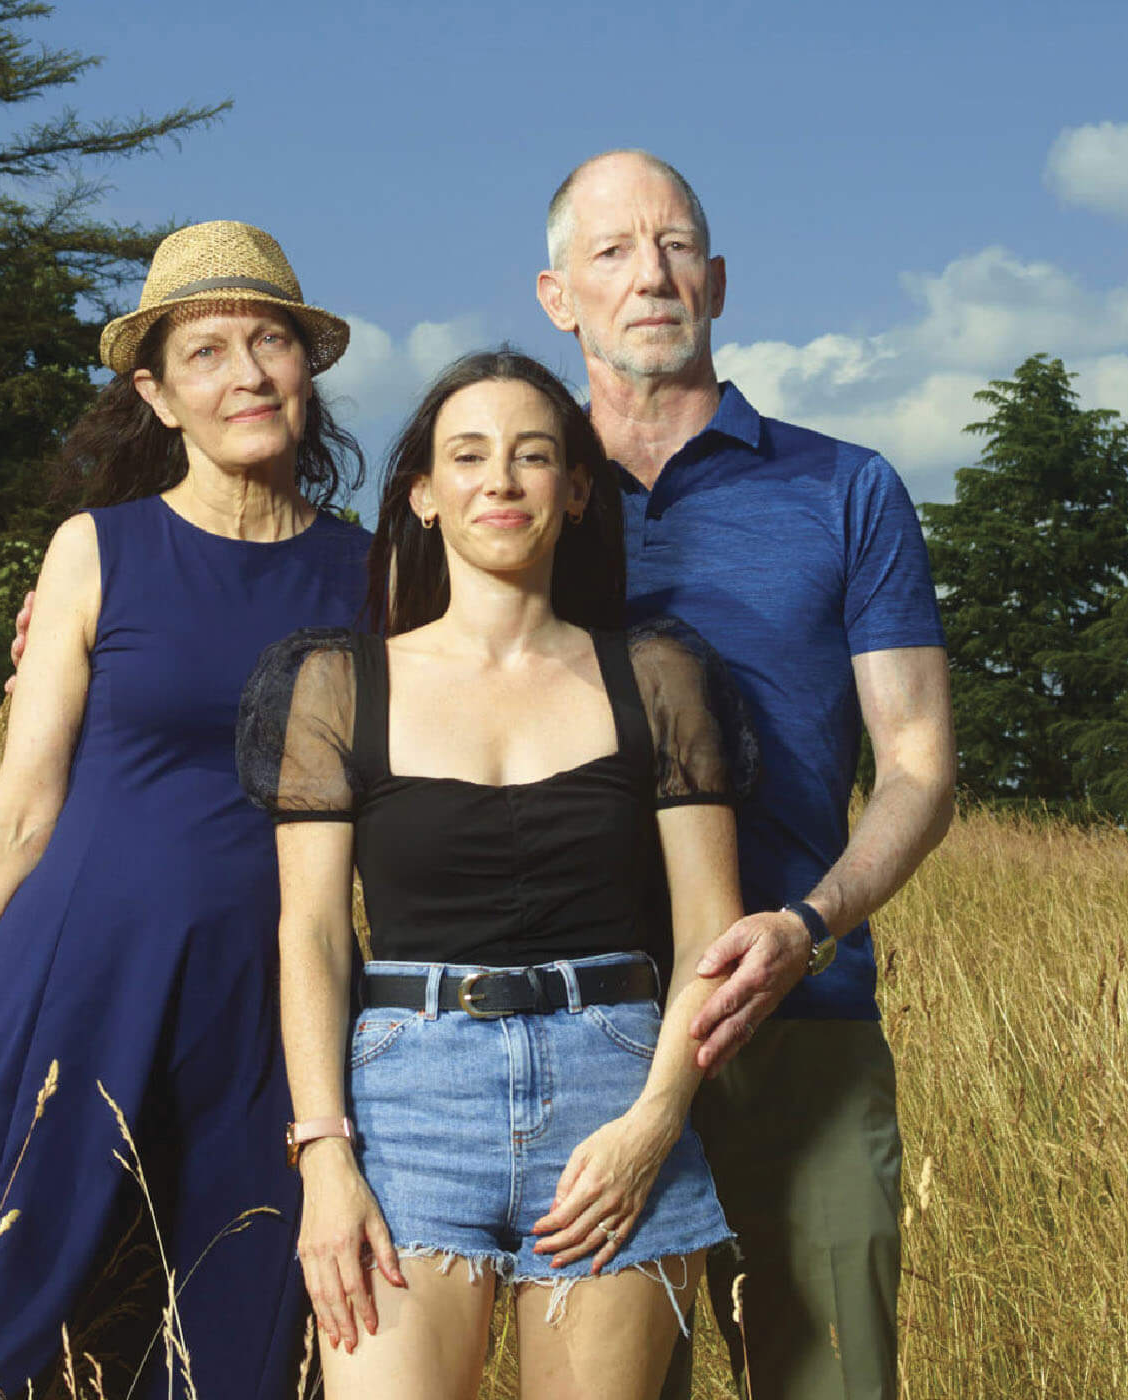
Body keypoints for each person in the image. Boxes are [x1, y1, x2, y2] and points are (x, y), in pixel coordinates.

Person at [0, 221, 371, 1400]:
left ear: (308, 366)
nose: (246, 373)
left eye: (272, 341)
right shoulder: (96, 550)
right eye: (207, 352)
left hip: (272, 1000)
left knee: (237, 1338)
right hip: (74, 974)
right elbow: (18, 813)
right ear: (156, 391)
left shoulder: (373, 574)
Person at [236, 349, 755, 1400]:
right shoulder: (339, 684)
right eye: (466, 455)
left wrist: (656, 1121)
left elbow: (710, 929)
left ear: (574, 491)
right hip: (406, 1100)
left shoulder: (656, 677)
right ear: (423, 494)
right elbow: (312, 934)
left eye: (532, 455)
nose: (500, 481)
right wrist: (325, 1155)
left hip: (615, 1082)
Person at [535, 150, 956, 1400]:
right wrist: (68, 608)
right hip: (586, 1027)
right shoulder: (509, 493)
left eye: (674, 246)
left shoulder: (845, 487)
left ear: (716, 281)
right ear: (557, 295)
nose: (648, 274)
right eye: (610, 251)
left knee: (831, 1381)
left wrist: (807, 926)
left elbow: (921, 769)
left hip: (799, 1019)